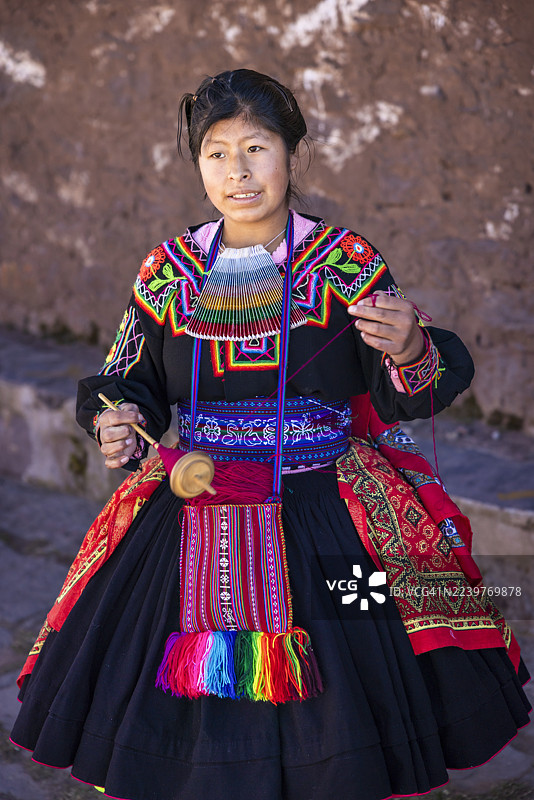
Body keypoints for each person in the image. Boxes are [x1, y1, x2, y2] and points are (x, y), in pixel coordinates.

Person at [10, 69, 530, 800]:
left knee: (356, 681)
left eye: (256, 148)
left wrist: (411, 347)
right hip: (190, 506)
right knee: (175, 714)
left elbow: (403, 381)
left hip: (326, 509)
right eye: (217, 153)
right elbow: (125, 378)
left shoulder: (344, 263)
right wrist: (115, 420)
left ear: (292, 153)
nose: (238, 171)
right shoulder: (168, 270)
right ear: (197, 165)